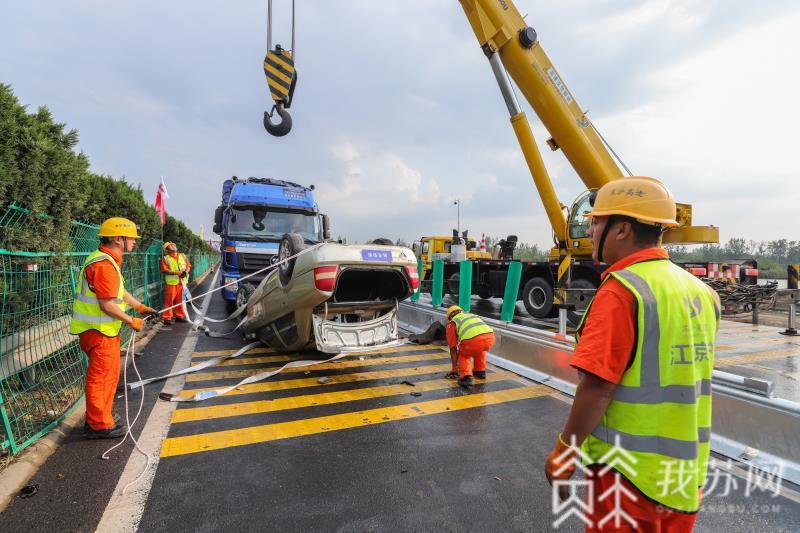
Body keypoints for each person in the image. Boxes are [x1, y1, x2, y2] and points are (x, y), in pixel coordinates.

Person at [544, 177, 720, 530]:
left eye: (596, 222)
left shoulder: (623, 290)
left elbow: (598, 386)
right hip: (683, 479)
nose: (591, 231)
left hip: (627, 476)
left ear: (621, 229)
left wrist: (565, 450)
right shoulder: (701, 291)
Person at [69, 217, 158, 439]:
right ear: (118, 239)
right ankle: (98, 424)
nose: (134, 242)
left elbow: (119, 292)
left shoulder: (107, 261)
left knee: (109, 375)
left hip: (103, 331)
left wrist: (138, 306)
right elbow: (107, 304)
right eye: (131, 239)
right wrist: (131, 320)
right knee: (101, 377)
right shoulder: (104, 265)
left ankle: (102, 415)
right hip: (98, 332)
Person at [444, 305, 495, 388]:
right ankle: (480, 372)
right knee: (480, 350)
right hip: (490, 337)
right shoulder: (471, 315)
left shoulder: (452, 322)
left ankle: (466, 377)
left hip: (472, 340)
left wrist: (454, 368)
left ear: (449, 317)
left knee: (463, 355)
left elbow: (453, 348)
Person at [161, 241, 192, 324]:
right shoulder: (166, 258)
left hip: (182, 283)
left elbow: (188, 266)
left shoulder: (183, 256)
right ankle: (167, 318)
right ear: (167, 250)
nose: (172, 247)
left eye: (173, 245)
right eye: (169, 247)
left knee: (181, 300)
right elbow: (165, 270)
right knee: (169, 301)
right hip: (171, 283)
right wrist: (177, 273)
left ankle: (180, 316)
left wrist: (186, 272)